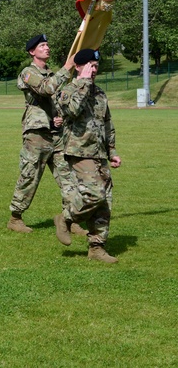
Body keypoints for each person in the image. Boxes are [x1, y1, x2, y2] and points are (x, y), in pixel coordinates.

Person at [7, 34, 83, 234]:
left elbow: (58, 99)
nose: (47, 48)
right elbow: (45, 89)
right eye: (42, 45)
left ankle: (71, 219)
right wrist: (67, 67)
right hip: (37, 135)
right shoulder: (28, 73)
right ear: (32, 51)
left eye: (48, 45)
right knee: (30, 175)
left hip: (56, 134)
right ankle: (15, 217)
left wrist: (60, 117)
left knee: (68, 177)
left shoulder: (52, 73)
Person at [54, 49, 121, 263]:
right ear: (78, 67)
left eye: (96, 65)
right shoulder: (68, 90)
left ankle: (97, 248)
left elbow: (107, 124)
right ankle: (65, 219)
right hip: (79, 151)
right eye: (90, 65)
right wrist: (83, 83)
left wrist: (112, 151)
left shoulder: (100, 93)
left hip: (99, 153)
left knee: (105, 202)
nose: (94, 69)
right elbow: (72, 111)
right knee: (95, 195)